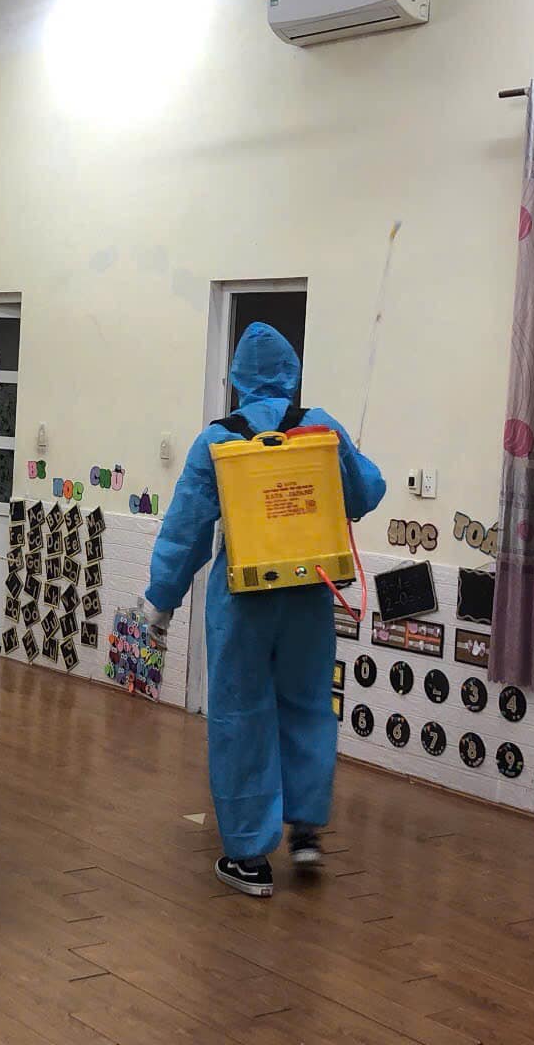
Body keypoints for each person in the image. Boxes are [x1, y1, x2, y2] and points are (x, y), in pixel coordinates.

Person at [138, 323, 386, 896]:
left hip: (243, 598)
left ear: (236, 381)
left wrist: (160, 603)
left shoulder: (217, 440)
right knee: (308, 706)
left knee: (240, 715)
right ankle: (305, 831)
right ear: (292, 372)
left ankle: (249, 858)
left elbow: (186, 530)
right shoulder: (320, 427)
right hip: (308, 592)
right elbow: (367, 492)